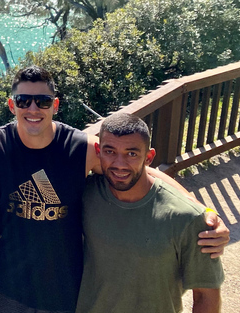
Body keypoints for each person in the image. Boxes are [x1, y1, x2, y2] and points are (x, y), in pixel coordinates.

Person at [0, 65, 229, 313]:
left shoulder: (81, 148)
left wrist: (205, 212)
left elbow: (145, 172)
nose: (33, 109)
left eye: (42, 101)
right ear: (11, 105)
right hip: (10, 287)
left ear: (55, 104)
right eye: (23, 100)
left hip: (65, 290)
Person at [76, 113, 224, 312]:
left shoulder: (187, 218)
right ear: (98, 151)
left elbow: (206, 296)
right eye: (110, 151)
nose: (119, 163)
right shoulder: (84, 194)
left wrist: (203, 212)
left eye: (131, 154)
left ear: (149, 157)